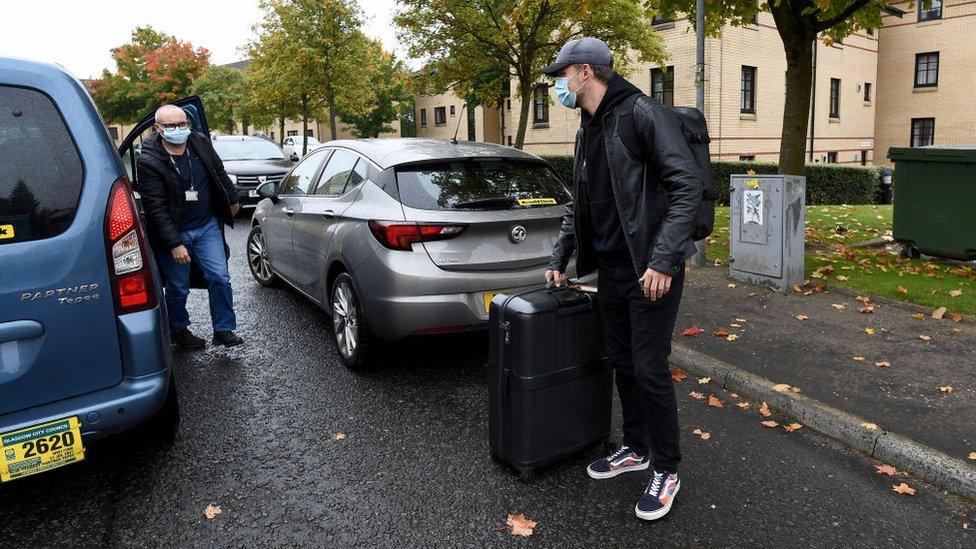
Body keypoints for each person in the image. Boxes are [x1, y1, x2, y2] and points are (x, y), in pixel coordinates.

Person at [541, 38, 703, 521]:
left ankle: (668, 468)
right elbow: (581, 204)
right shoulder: (589, 128)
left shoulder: (641, 114)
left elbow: (686, 185)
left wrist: (664, 261)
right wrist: (561, 255)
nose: (558, 86)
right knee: (621, 361)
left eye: (561, 75)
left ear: (585, 72)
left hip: (649, 269)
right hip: (610, 268)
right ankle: (636, 447)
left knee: (650, 368)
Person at [138, 104, 244, 349]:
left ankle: (224, 328)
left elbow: (218, 171)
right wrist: (174, 244)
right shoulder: (149, 161)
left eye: (182, 124)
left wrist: (232, 197)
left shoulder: (199, 142)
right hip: (176, 232)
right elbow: (155, 209)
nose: (178, 129)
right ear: (158, 129)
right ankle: (178, 330)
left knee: (220, 277)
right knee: (177, 287)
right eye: (171, 126)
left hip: (206, 226)